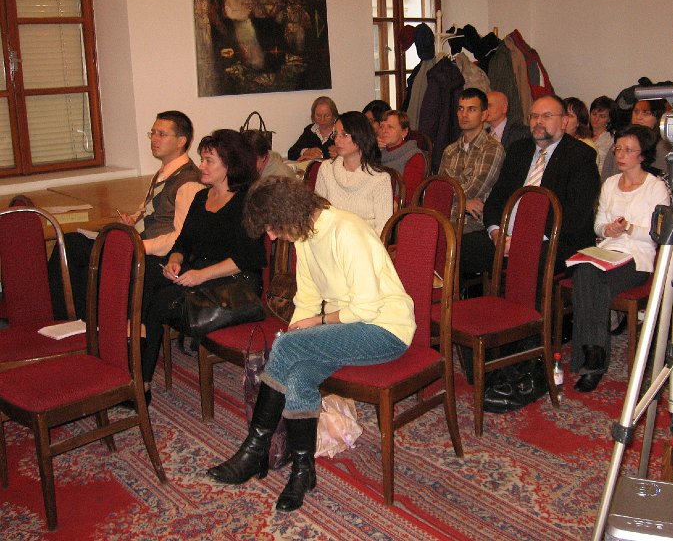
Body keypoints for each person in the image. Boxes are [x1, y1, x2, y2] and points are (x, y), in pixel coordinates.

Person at [207, 176, 415, 513]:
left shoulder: (347, 230)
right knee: (297, 374)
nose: (271, 236)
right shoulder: (305, 237)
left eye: (272, 227)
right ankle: (303, 472)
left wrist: (312, 327)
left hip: (385, 329)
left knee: (289, 348)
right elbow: (307, 299)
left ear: (288, 212)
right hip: (346, 330)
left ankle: (254, 449)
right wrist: (297, 331)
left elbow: (365, 309)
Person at [140, 129, 265, 406]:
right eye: (202, 159)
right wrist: (175, 261)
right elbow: (183, 242)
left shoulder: (247, 202)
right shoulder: (201, 198)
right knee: (145, 272)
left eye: (209, 161)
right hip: (200, 272)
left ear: (230, 166)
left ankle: (142, 382)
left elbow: (248, 258)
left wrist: (199, 275)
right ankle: (134, 358)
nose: (201, 166)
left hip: (235, 282)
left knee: (160, 301)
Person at [49, 110, 204, 321]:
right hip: (137, 241)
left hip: (154, 255)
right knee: (70, 245)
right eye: (153, 133)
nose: (154, 139)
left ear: (181, 141)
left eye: (162, 134)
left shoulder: (188, 182)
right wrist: (133, 220)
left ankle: (73, 321)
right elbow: (150, 210)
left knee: (72, 247)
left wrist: (138, 246)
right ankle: (75, 320)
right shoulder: (166, 172)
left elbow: (180, 237)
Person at [570, 125, 670, 392]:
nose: (621, 155)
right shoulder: (610, 183)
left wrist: (629, 229)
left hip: (638, 257)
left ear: (643, 155)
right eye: (618, 149)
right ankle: (594, 354)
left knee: (591, 281)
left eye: (628, 150)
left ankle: (591, 357)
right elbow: (598, 225)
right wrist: (608, 230)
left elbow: (658, 234)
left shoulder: (656, 188)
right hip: (608, 251)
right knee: (583, 271)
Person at [461, 94, 599, 278]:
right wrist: (496, 233)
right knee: (459, 246)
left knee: (530, 260)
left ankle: (524, 299)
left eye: (547, 116)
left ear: (564, 122)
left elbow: (575, 216)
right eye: (534, 116)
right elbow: (496, 199)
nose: (538, 121)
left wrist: (524, 241)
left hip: (555, 239)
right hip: (506, 236)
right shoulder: (519, 150)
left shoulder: (581, 156)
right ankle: (465, 296)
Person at [438, 88, 506, 237]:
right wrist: (462, 205)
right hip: (445, 219)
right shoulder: (450, 150)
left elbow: (472, 190)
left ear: (484, 115)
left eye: (471, 109)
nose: (464, 114)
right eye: (460, 109)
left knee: (430, 238)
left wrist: (449, 203)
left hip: (473, 225)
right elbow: (438, 191)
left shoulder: (492, 149)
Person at [314, 110, 393, 235]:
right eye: (335, 134)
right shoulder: (326, 169)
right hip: (330, 240)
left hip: (365, 242)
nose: (337, 140)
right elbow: (318, 215)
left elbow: (383, 230)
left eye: (344, 135)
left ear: (360, 137)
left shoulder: (380, 179)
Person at [602, 99, 669, 181]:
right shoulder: (620, 143)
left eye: (646, 113)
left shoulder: (662, 147)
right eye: (636, 112)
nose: (639, 117)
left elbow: (664, 179)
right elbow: (606, 176)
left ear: (657, 118)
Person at [378, 109, 426, 205]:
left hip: (396, 208)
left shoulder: (414, 156)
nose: (384, 131)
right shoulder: (377, 153)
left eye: (390, 127)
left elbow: (408, 196)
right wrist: (372, 151)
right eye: (381, 126)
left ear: (404, 132)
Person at [287, 96, 338, 161]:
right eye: (318, 115)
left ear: (333, 115)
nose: (322, 119)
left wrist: (319, 157)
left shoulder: (340, 131)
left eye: (327, 115)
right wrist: (306, 151)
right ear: (313, 115)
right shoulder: (310, 130)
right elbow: (291, 153)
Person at [590, 95, 616, 174]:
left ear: (609, 119)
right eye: (594, 114)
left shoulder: (613, 138)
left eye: (602, 116)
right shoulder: (582, 134)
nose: (596, 119)